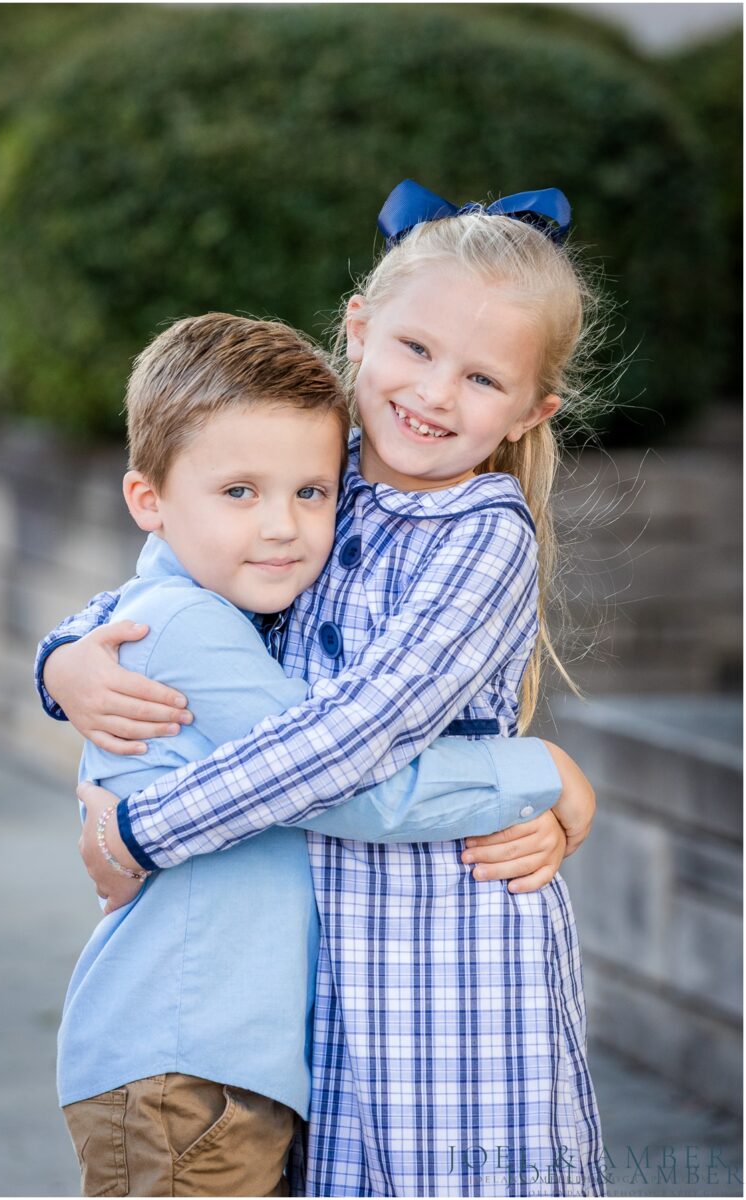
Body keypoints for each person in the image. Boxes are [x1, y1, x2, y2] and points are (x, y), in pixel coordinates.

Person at [37, 180, 605, 1196]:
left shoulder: (477, 537)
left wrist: (143, 829)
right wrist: (68, 655)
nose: (433, 394)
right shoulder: (319, 470)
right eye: (416, 350)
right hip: (320, 971)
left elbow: (355, 739)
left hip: (444, 947)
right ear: (358, 328)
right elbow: (177, 571)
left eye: (481, 378)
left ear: (533, 408)